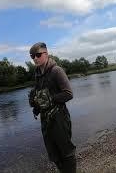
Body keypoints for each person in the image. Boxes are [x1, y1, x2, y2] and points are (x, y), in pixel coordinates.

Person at [28, 42, 76, 173]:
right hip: (46, 119)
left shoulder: (56, 71)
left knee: (66, 151)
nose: (35, 58)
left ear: (46, 54)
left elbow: (69, 94)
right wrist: (36, 104)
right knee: (53, 153)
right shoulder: (37, 74)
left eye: (38, 55)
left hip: (59, 117)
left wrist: (50, 98)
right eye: (32, 56)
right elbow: (40, 96)